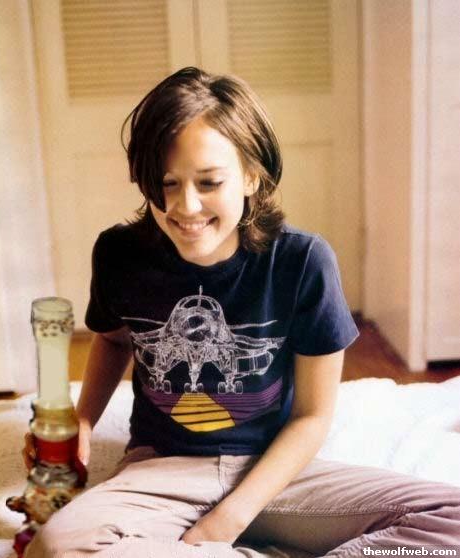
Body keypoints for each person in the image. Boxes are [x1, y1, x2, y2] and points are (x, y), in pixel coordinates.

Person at [23, 67, 460, 558]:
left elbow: (313, 416)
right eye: (165, 183)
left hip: (273, 473)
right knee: (56, 546)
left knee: (451, 520)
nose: (185, 206)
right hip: (162, 471)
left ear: (252, 175)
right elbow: (113, 337)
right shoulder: (119, 254)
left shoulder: (303, 261)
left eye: (209, 181)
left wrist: (231, 517)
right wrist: (81, 422)